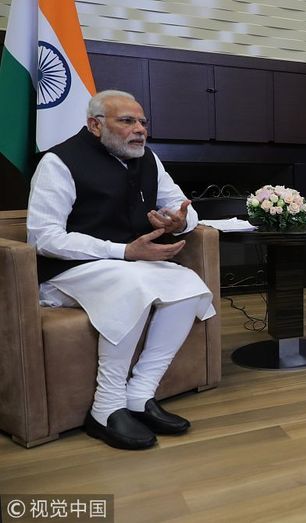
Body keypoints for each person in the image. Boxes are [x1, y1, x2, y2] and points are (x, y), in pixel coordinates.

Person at [27, 90, 216, 449]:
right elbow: (44, 237)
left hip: (128, 267)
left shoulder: (148, 159)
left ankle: (140, 394)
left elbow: (182, 207)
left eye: (142, 122)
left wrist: (181, 222)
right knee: (132, 283)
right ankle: (106, 407)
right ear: (95, 125)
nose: (140, 129)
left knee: (188, 284)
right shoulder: (59, 162)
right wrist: (123, 252)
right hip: (68, 272)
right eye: (127, 121)